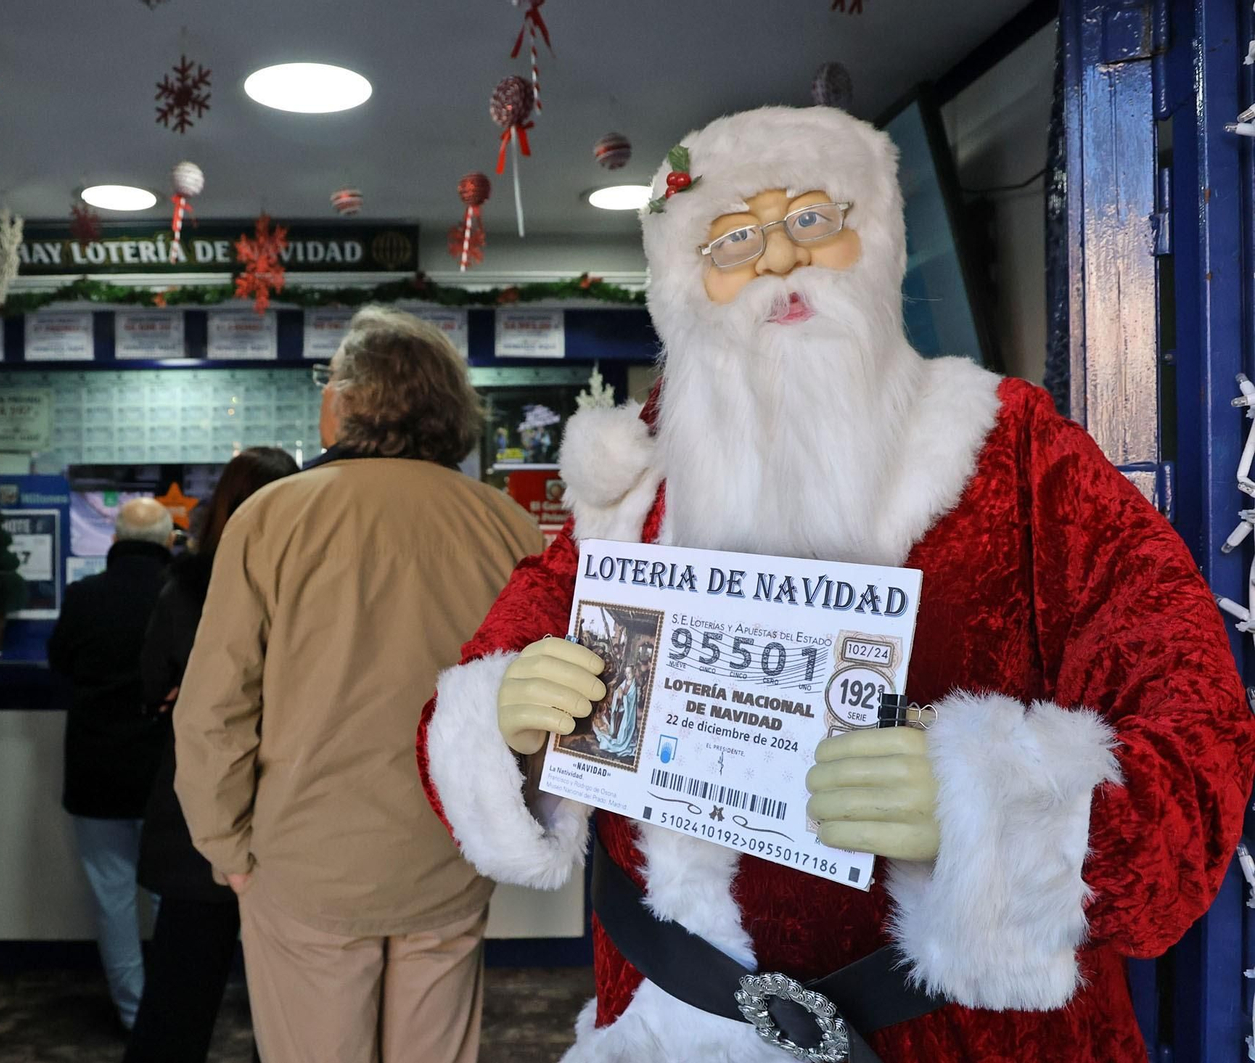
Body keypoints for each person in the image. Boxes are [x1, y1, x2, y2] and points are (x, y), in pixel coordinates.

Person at [416, 105, 1255, 1063]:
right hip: (669, 1028)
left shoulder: (1015, 451)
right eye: (735, 238)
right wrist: (507, 718)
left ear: (878, 241)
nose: (780, 260)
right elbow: (479, 696)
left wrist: (992, 815)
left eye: (813, 218)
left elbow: (1197, 724)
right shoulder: (635, 487)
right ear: (687, 287)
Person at [173, 306, 545, 1063]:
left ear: (344, 398)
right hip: (452, 851)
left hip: (307, 863)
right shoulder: (507, 525)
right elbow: (541, 702)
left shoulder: (270, 517)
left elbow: (216, 706)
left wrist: (226, 848)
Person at [125, 447, 298, 1063]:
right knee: (288, 1016)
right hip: (285, 822)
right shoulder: (302, 590)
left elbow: (155, 685)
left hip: (196, 822)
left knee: (177, 1003)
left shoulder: (186, 585)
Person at [46, 497, 175, 1033]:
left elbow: (61, 663)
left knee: (112, 897)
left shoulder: (83, 596)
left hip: (97, 769)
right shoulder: (184, 595)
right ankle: (173, 1011)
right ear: (170, 542)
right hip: (166, 776)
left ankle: (132, 1012)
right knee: (173, 896)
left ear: (115, 541)